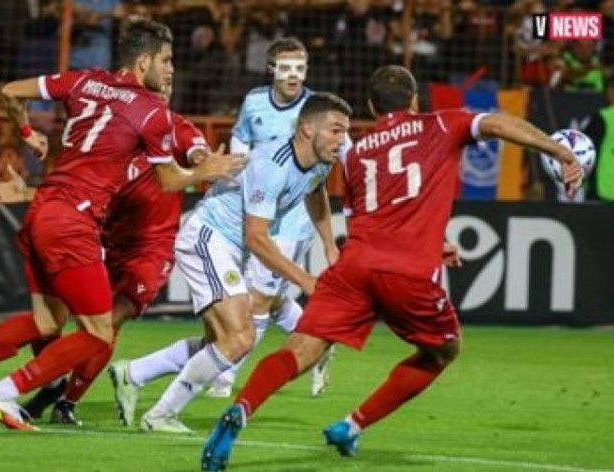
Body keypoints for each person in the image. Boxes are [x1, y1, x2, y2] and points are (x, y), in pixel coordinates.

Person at [200, 65, 584, 472]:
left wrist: (432, 241)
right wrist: (559, 151)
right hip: (407, 273)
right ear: (415, 100)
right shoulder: (440, 124)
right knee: (443, 351)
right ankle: (352, 425)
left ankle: (242, 408)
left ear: (371, 107)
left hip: (355, 268)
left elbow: (370, 218)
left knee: (300, 350)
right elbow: (499, 124)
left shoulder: (357, 154)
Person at [0, 19, 244, 431]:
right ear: (144, 61)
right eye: (166, 61)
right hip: (75, 222)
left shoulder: (85, 81)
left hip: (48, 211)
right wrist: (206, 171)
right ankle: (5, 393)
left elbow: (10, 91)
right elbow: (169, 180)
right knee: (97, 331)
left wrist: (27, 133)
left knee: (46, 323)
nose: (170, 70)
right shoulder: (151, 113)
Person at [0, 85, 212, 425]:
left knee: (107, 322)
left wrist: (205, 161)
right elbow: (80, 188)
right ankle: (49, 385)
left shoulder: (176, 128)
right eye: (158, 82)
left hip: (150, 249)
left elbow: (198, 153)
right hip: (103, 236)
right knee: (55, 318)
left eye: (169, 82)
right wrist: (29, 193)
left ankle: (65, 401)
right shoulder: (118, 132)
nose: (163, 88)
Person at [120, 92, 350, 434]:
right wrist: (305, 280)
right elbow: (257, 237)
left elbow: (314, 192)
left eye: (344, 131)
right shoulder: (272, 166)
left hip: (230, 247)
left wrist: (330, 245)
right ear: (307, 129)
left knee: (224, 342)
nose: (342, 139)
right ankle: (161, 414)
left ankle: (134, 373)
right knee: (241, 337)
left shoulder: (321, 161)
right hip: (207, 238)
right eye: (335, 130)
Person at [213, 36, 338, 398]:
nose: (294, 75)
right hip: (261, 209)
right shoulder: (254, 101)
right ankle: (321, 343)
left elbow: (332, 165)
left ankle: (224, 377)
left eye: (301, 67)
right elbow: (240, 137)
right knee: (275, 296)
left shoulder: (316, 110)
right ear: (271, 69)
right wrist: (237, 174)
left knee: (258, 298)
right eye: (286, 67)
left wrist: (329, 242)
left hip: (294, 219)